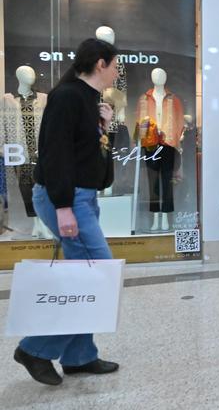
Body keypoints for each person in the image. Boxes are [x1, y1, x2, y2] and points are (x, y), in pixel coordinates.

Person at [13, 38, 120, 386]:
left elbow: (92, 159)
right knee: (99, 275)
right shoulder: (68, 96)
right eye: (115, 65)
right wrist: (63, 207)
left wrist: (105, 127)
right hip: (68, 198)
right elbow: (54, 153)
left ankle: (78, 356)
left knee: (85, 277)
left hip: (83, 197)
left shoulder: (90, 100)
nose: (117, 72)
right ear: (100, 64)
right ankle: (36, 349)